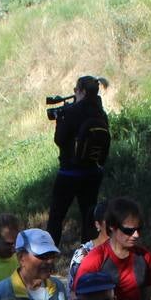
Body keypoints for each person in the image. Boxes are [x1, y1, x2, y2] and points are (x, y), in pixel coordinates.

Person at [47, 75, 109, 245]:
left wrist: (60, 119)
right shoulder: (100, 112)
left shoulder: (71, 112)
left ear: (81, 91)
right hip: (93, 173)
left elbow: (59, 140)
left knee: (56, 217)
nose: (74, 93)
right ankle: (88, 259)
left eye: (76, 90)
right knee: (89, 217)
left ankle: (48, 256)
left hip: (69, 172)